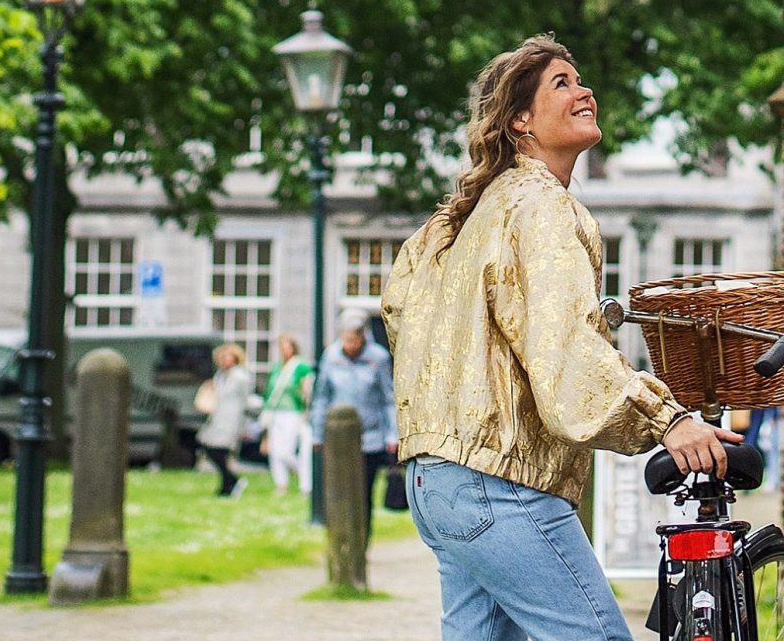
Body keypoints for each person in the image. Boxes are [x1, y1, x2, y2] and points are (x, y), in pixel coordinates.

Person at [383, 36, 738, 641]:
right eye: (562, 83)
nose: (585, 91)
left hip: (434, 479)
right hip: (499, 480)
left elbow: (398, 311)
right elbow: (566, 346)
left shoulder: (456, 220)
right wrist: (668, 420)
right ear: (520, 119)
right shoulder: (541, 207)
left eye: (582, 80)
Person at [307, 309, 396, 530]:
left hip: (370, 438)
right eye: (345, 339)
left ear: (362, 336)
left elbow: (388, 399)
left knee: (363, 494)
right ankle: (341, 535)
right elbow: (321, 397)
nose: (349, 345)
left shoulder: (378, 358)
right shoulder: (331, 356)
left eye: (353, 340)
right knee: (339, 493)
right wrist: (317, 433)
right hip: (338, 437)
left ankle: (362, 538)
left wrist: (392, 434)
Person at [195, 343, 259, 499]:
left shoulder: (240, 377)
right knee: (211, 449)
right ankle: (228, 483)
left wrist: (244, 424)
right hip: (217, 418)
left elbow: (246, 400)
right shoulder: (220, 375)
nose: (224, 360)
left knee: (218, 451)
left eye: (227, 356)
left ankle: (230, 482)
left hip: (231, 420)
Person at [260, 333, 315, 496]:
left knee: (286, 450)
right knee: (275, 450)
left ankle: (304, 478)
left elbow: (306, 389)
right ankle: (281, 484)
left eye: (287, 346)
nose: (284, 350)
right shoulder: (276, 367)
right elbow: (268, 391)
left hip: (293, 412)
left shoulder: (301, 366)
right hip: (275, 411)